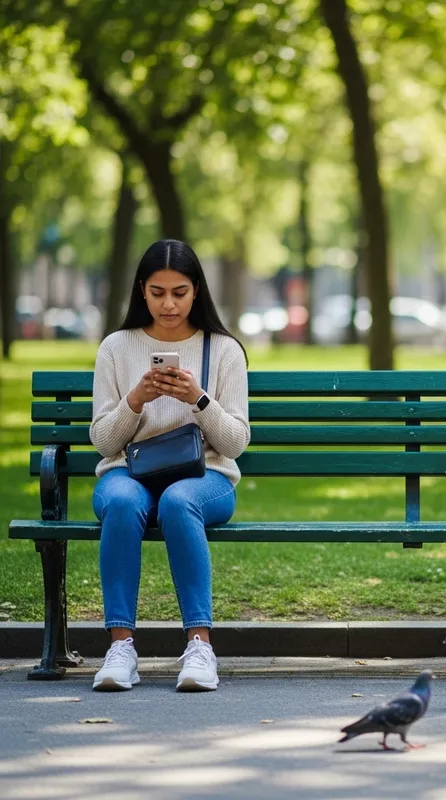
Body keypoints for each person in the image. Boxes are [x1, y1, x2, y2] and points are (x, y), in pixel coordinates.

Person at [89, 239, 250, 692]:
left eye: (179, 292)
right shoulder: (116, 347)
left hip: (205, 477)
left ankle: (200, 647)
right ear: (141, 290)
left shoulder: (223, 350)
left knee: (179, 502)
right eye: (157, 292)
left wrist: (198, 399)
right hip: (130, 472)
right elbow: (104, 442)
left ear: (197, 290)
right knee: (121, 501)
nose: (169, 304)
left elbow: (234, 443)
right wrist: (135, 400)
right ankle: (121, 648)